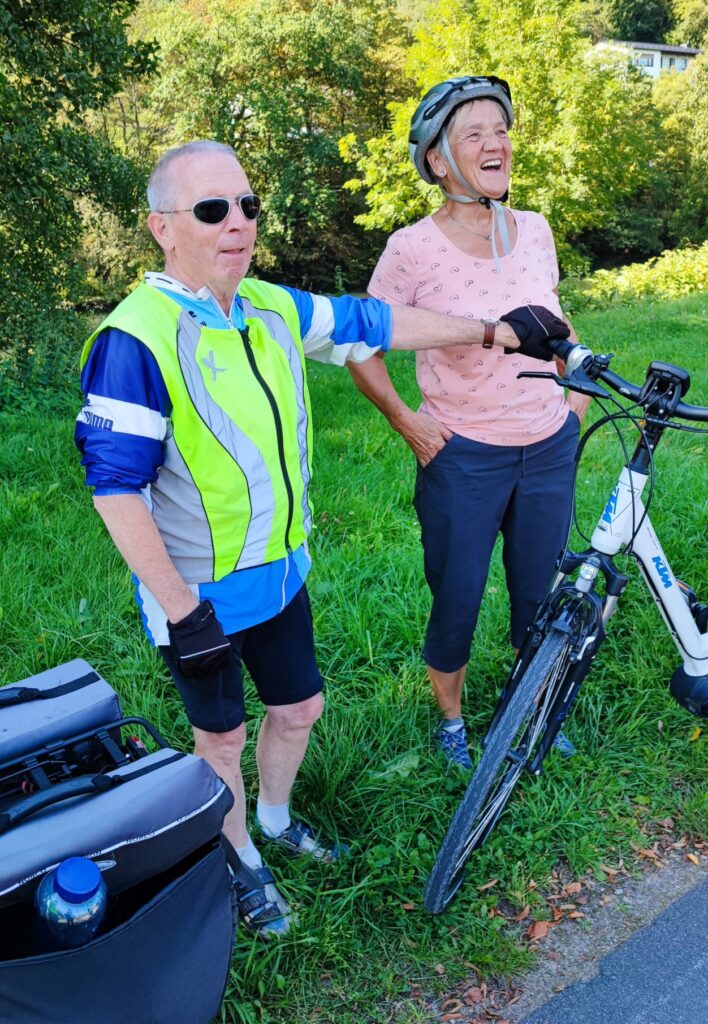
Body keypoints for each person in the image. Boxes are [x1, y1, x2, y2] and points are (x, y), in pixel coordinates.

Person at [75, 139, 567, 937]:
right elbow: (115, 488)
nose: (237, 224)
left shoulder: (268, 306)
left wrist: (495, 333)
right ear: (162, 228)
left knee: (300, 707)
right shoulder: (135, 337)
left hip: (279, 573)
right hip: (196, 594)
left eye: (247, 206)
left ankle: (271, 821)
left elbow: (378, 322)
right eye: (211, 210)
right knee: (221, 737)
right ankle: (240, 862)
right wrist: (180, 609)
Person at [348, 76, 589, 770]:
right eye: (474, 133)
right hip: (463, 455)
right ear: (437, 160)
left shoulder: (536, 231)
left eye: (501, 129)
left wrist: (572, 406)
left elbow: (556, 321)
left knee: (538, 593)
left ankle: (529, 704)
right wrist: (406, 421)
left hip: (546, 448)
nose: (496, 143)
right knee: (456, 598)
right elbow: (362, 342)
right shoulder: (411, 249)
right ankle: (452, 722)